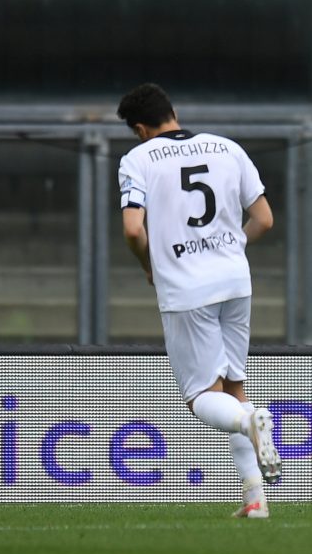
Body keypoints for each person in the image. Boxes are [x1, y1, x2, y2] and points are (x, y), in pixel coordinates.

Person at [117, 83, 281, 519]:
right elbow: (263, 218)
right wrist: (229, 248)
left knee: (202, 397)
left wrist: (149, 266)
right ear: (172, 111)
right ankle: (255, 500)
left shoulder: (138, 159)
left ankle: (251, 422)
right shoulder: (226, 147)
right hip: (235, 280)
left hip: (187, 288)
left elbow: (134, 230)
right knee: (233, 387)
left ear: (139, 128)